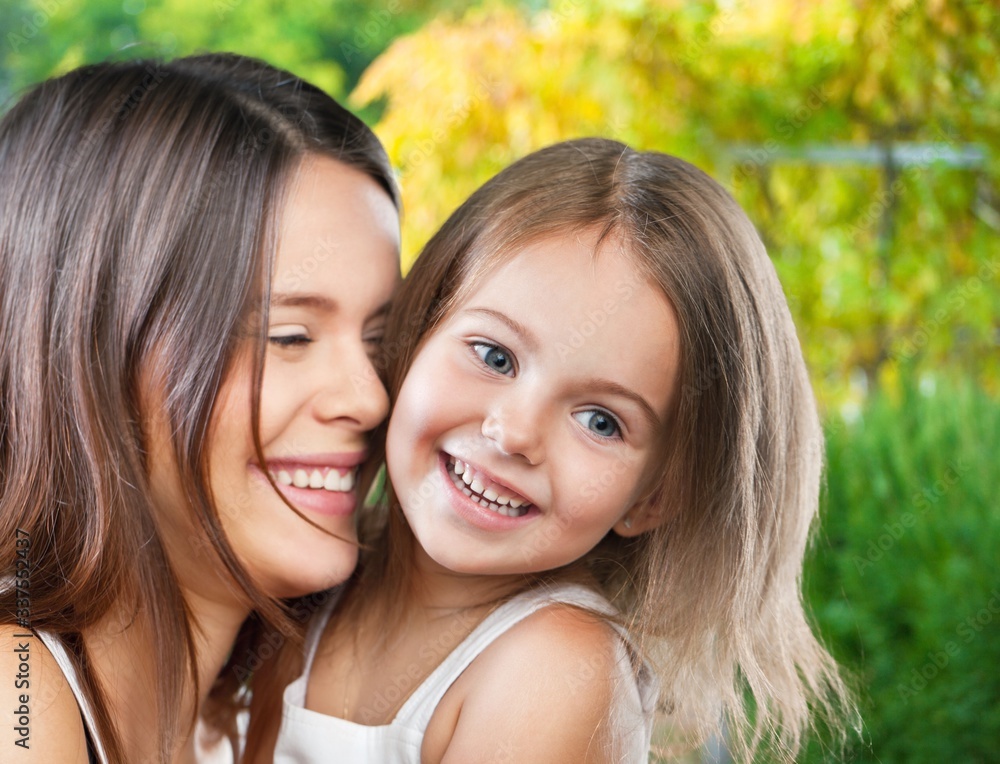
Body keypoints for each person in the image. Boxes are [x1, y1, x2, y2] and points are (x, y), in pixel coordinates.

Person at [264, 137, 855, 763]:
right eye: (494, 356)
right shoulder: (326, 571)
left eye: (601, 421)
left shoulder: (554, 667)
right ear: (417, 332)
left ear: (654, 497)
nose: (515, 433)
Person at [0, 53, 400, 763]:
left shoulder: (242, 723)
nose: (370, 397)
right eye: (290, 336)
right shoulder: (15, 697)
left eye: (381, 340)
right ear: (94, 353)